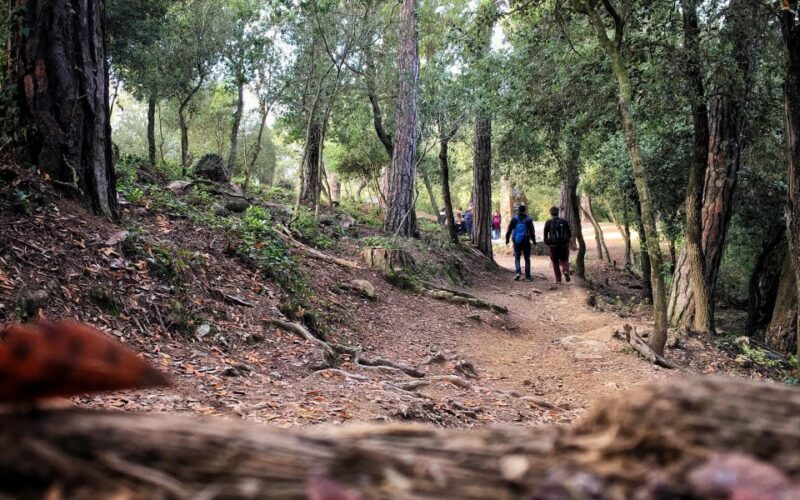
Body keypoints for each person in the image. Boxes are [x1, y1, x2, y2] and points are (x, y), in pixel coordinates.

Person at [505, 205, 536, 281]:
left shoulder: (514, 219)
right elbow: (532, 232)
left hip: (516, 241)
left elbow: (509, 231)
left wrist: (507, 240)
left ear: (518, 211)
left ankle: (518, 273)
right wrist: (534, 241)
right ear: (525, 210)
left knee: (517, 257)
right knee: (527, 258)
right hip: (526, 241)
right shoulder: (528, 219)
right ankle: (528, 276)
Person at [544, 206, 572, 284]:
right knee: (564, 259)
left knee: (555, 262)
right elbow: (569, 234)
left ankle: (558, 280)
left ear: (551, 213)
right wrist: (566, 242)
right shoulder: (564, 222)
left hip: (553, 246)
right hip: (563, 245)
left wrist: (548, 243)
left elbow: (545, 236)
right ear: (558, 212)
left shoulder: (548, 222)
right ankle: (565, 270)